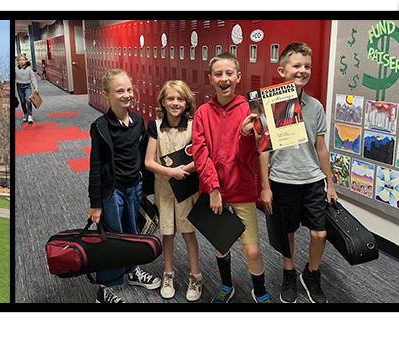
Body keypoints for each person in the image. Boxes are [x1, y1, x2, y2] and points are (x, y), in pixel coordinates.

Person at [191, 53, 271, 303]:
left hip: (242, 189)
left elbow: (249, 157)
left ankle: (259, 290)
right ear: (210, 79)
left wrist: (247, 134)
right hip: (214, 191)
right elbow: (200, 152)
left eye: (229, 73)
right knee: (221, 243)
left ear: (238, 76)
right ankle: (226, 286)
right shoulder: (203, 112)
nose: (224, 78)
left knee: (253, 249)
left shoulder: (250, 109)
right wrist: (213, 188)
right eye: (218, 74)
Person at [259, 42, 336, 304]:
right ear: (282, 71)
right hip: (283, 179)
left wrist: (331, 184)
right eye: (296, 66)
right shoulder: (271, 105)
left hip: (312, 180)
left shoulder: (315, 107)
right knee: (287, 232)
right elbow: (263, 149)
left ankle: (311, 274)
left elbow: (321, 147)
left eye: (307, 66)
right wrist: (266, 186)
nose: (302, 70)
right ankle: (289, 272)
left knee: (320, 234)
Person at [87, 68, 161, 303]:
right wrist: (95, 204)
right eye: (120, 91)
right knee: (112, 238)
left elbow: (142, 157)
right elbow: (96, 167)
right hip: (113, 191)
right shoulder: (100, 126)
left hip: (134, 189)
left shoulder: (138, 122)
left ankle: (131, 270)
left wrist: (147, 189)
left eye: (129, 89)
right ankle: (105, 289)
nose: (127, 94)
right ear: (107, 94)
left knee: (132, 234)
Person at [143, 80, 203, 301]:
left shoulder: (195, 125)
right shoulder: (154, 127)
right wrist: (170, 173)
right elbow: (149, 161)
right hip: (164, 189)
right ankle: (168, 274)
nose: (175, 103)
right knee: (167, 232)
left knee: (188, 232)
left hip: (186, 188)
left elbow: (201, 158)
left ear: (187, 103)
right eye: (170, 98)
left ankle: (196, 275)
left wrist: (181, 171)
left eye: (180, 99)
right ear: (163, 102)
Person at [15, 54, 40, 124]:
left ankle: (30, 115)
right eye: (20, 60)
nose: (22, 61)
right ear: (18, 61)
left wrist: (36, 87)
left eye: (23, 60)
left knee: (28, 100)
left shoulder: (29, 69)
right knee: (22, 101)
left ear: (26, 61)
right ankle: (25, 114)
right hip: (19, 86)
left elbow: (33, 78)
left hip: (27, 86)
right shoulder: (16, 69)